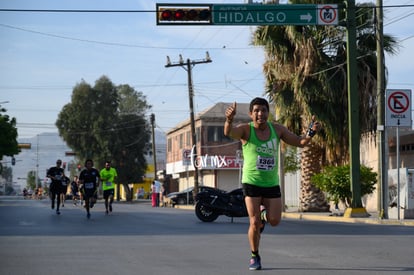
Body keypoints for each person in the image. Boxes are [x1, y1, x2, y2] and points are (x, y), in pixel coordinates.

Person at [224, 97, 321, 270]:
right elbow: (229, 133)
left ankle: (263, 215)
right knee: (253, 223)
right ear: (251, 114)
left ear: (268, 113)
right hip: (251, 182)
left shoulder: (277, 130)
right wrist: (229, 120)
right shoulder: (246, 130)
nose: (260, 113)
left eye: (264, 110)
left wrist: (311, 132)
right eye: (256, 111)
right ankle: (255, 255)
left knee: (275, 220)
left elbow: (300, 142)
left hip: (271, 183)